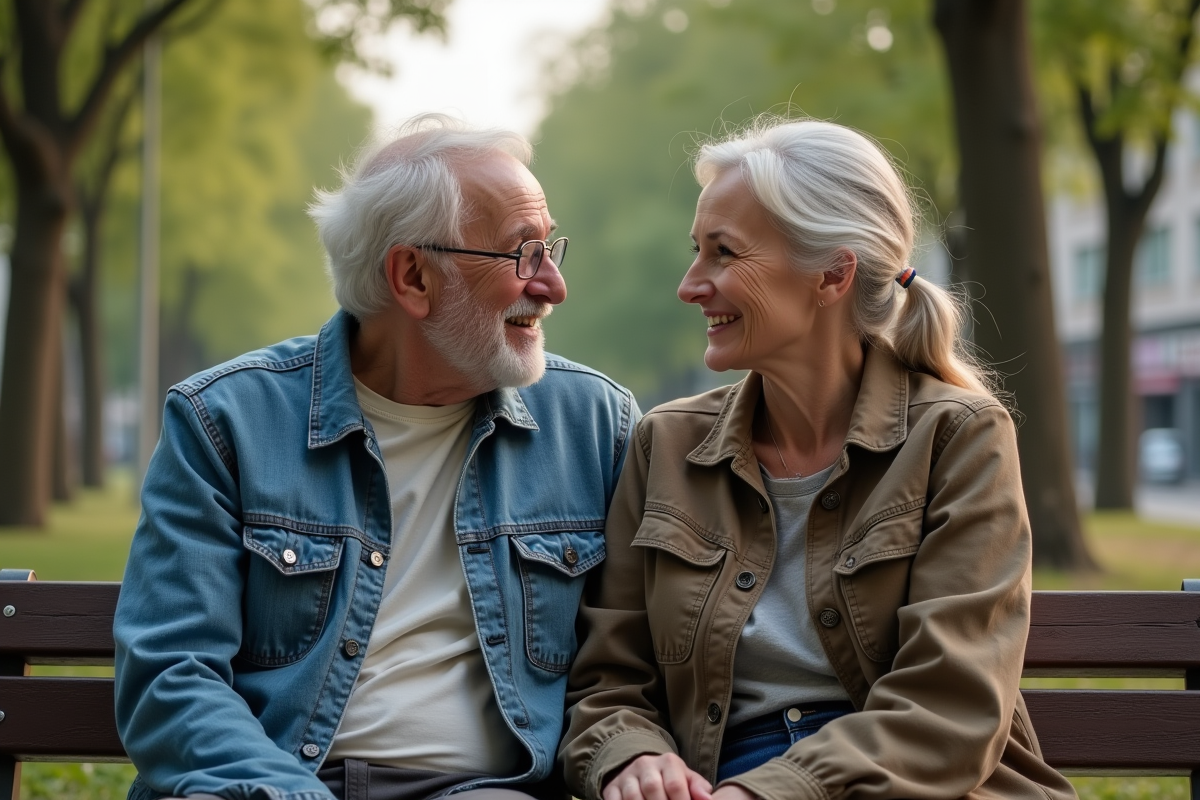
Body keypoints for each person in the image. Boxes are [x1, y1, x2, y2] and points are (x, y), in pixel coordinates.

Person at [113, 115, 639, 800]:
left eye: (550, 248)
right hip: (272, 787)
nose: (552, 285)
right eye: (521, 254)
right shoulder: (224, 422)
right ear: (413, 276)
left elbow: (629, 669)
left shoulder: (595, 426)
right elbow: (172, 675)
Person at [558, 118, 1077, 800]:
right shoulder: (667, 445)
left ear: (832, 274)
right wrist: (633, 756)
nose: (689, 285)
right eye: (696, 251)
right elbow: (608, 679)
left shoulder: (958, 436)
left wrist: (766, 793)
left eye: (723, 253)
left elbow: (949, 704)